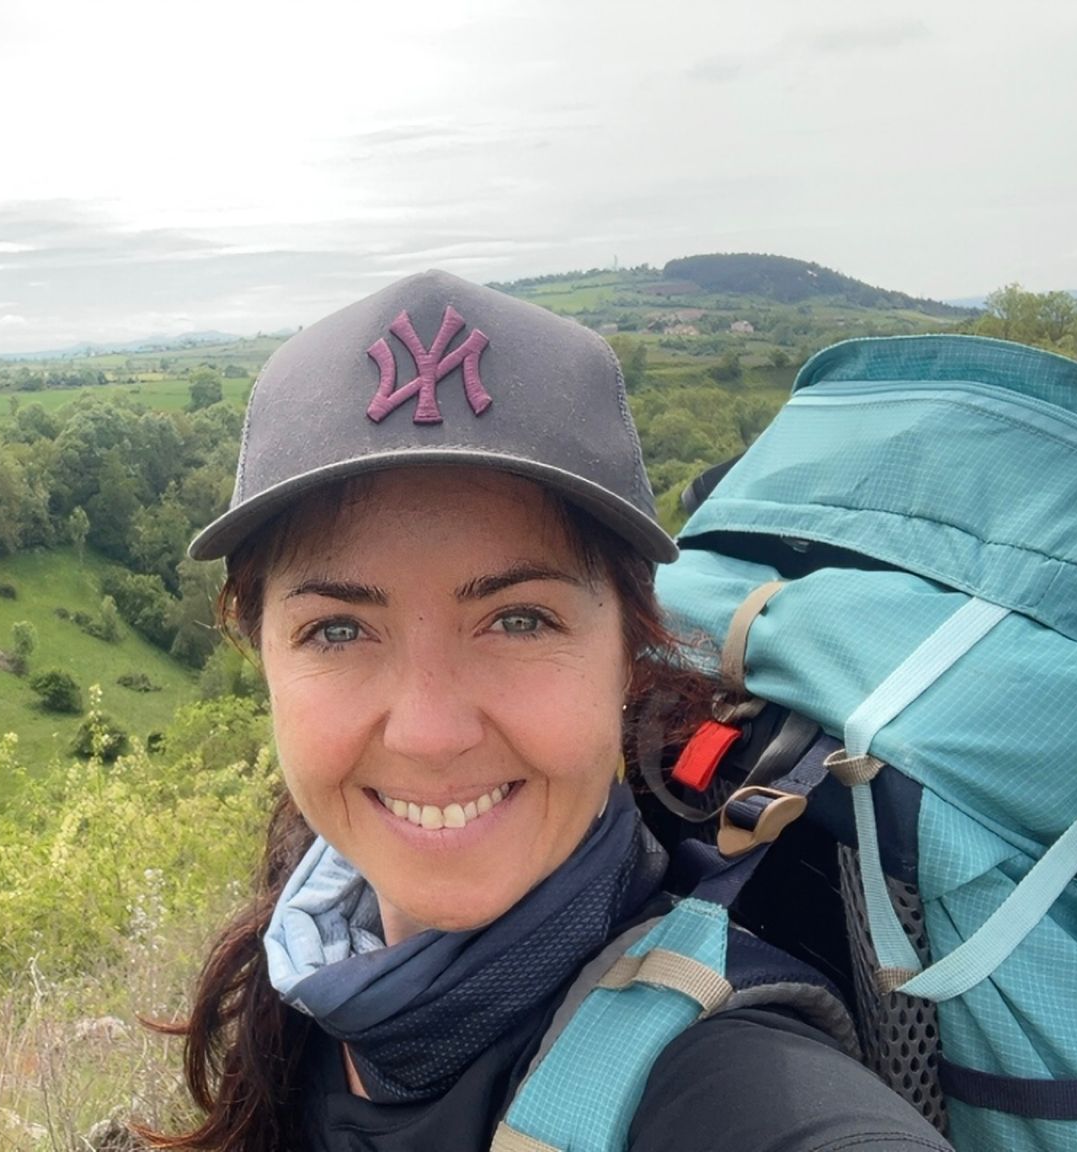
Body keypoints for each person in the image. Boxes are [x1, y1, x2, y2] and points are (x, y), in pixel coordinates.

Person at [146, 271, 952, 1151]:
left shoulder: (731, 1086)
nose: (429, 731)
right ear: (258, 652)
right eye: (338, 631)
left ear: (630, 654)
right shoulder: (313, 948)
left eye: (519, 620)